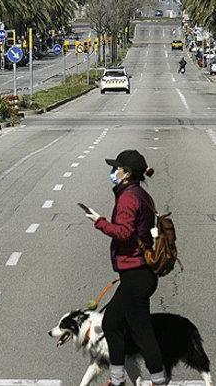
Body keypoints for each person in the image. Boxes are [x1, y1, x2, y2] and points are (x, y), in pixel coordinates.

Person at [82, 149, 166, 386]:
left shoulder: (129, 197)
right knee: (111, 323)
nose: (113, 172)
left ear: (126, 173)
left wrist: (98, 221)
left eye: (116, 168)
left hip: (137, 273)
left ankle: (158, 380)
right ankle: (118, 379)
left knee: (142, 331)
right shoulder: (140, 193)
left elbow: (124, 232)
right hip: (137, 273)